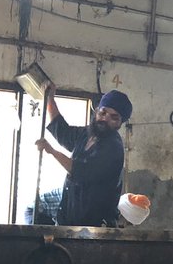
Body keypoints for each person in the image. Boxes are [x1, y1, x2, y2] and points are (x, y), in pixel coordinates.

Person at [35, 84, 130, 227]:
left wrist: (52, 151)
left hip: (93, 222)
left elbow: (80, 171)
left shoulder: (113, 148)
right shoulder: (88, 133)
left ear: (120, 123)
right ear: (96, 111)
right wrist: (50, 99)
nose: (105, 119)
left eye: (113, 117)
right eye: (103, 113)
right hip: (71, 210)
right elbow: (62, 132)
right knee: (34, 208)